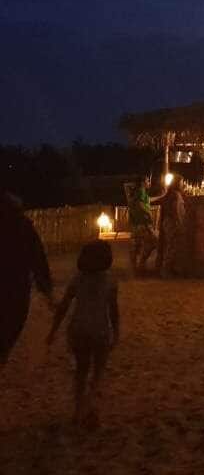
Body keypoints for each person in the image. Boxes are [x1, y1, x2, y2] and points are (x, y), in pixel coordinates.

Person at [47, 241, 119, 427]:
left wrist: (53, 330)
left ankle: (78, 410)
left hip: (79, 330)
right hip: (100, 331)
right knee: (98, 371)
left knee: (81, 370)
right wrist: (117, 332)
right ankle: (90, 404)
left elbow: (64, 307)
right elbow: (113, 311)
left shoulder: (77, 280)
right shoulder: (110, 282)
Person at [0, 191, 54, 365]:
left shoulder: (22, 225)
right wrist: (46, 290)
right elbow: (37, 257)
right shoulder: (22, 225)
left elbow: (37, 257)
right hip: (16, 286)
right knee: (11, 327)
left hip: (15, 284)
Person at [151, 176, 187, 278]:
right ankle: (166, 270)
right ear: (177, 183)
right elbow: (175, 210)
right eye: (181, 182)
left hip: (167, 222)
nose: (183, 184)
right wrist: (179, 222)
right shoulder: (175, 195)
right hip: (172, 223)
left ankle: (167, 269)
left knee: (170, 246)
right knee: (172, 247)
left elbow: (157, 201)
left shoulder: (169, 194)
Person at [127, 178, 158, 274]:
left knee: (136, 245)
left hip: (136, 223)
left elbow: (147, 201)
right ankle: (141, 264)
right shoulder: (141, 191)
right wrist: (148, 213)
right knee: (153, 241)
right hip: (143, 223)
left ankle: (135, 268)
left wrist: (161, 196)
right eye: (147, 181)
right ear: (142, 183)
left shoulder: (138, 192)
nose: (149, 182)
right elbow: (140, 204)